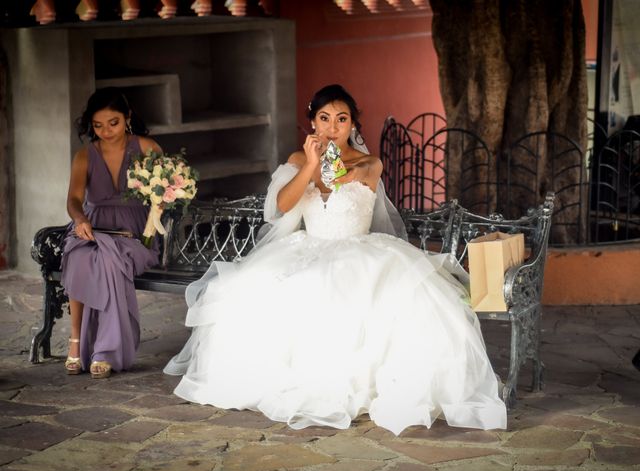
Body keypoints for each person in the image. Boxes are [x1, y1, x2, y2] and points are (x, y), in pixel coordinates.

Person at [164, 84, 507, 434]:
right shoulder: (299, 161)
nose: (332, 126)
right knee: (282, 290)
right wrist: (311, 163)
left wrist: (338, 170)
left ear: (353, 126)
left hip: (361, 250)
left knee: (381, 299)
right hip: (307, 247)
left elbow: (349, 176)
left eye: (341, 119)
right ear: (312, 123)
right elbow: (280, 207)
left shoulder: (369, 164)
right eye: (324, 118)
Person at [61, 87, 162, 379]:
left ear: (127, 118)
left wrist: (161, 205)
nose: (106, 131)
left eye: (113, 123)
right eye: (98, 125)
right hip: (94, 226)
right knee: (79, 256)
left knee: (107, 259)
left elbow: (163, 193)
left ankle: (106, 349)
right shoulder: (84, 156)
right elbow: (73, 200)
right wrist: (79, 219)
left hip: (135, 232)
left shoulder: (147, 148)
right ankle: (76, 341)